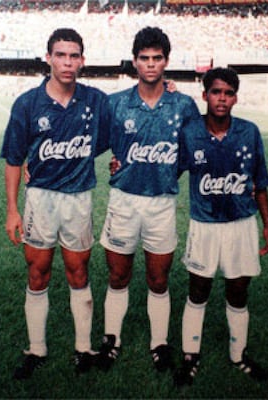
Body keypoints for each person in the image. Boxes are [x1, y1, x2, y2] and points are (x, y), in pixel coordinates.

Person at [1, 28, 110, 379]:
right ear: (48, 57)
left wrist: (165, 87)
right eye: (60, 55)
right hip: (40, 200)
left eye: (74, 55)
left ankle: (83, 348)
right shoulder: (28, 104)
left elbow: (119, 127)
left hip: (78, 199)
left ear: (82, 60)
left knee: (78, 273)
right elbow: (14, 159)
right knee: (38, 273)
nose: (67, 62)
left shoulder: (95, 100)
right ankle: (37, 348)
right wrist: (13, 210)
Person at [97, 26, 201, 372]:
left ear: (167, 62)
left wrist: (168, 172)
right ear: (134, 62)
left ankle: (159, 343)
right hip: (123, 201)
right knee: (118, 276)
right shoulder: (116, 104)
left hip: (162, 204)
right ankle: (112, 339)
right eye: (145, 58)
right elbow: (88, 143)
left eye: (157, 58)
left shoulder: (184, 105)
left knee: (159, 279)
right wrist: (35, 163)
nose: (151, 64)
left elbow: (191, 153)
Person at [174, 67, 268, 386]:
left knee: (238, 290)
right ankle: (190, 356)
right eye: (216, 92)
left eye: (228, 93)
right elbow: (168, 171)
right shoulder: (190, 133)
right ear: (205, 95)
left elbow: (260, 183)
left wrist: (267, 226)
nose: (222, 98)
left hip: (241, 224)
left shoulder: (249, 132)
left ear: (235, 98)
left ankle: (238, 354)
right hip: (204, 224)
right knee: (198, 289)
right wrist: (122, 167)